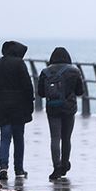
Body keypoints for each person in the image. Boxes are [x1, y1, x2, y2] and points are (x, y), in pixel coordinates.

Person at [0, 40, 34, 180]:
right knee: (19, 138)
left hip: (3, 106)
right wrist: (29, 102)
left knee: (5, 138)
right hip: (19, 107)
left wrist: (1, 95)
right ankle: (19, 169)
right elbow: (27, 85)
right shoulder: (19, 64)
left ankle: (3, 167)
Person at [37, 47, 85, 181]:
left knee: (55, 138)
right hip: (69, 108)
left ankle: (56, 167)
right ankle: (65, 164)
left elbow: (41, 93)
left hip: (52, 108)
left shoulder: (45, 72)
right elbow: (80, 91)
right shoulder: (74, 71)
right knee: (66, 138)